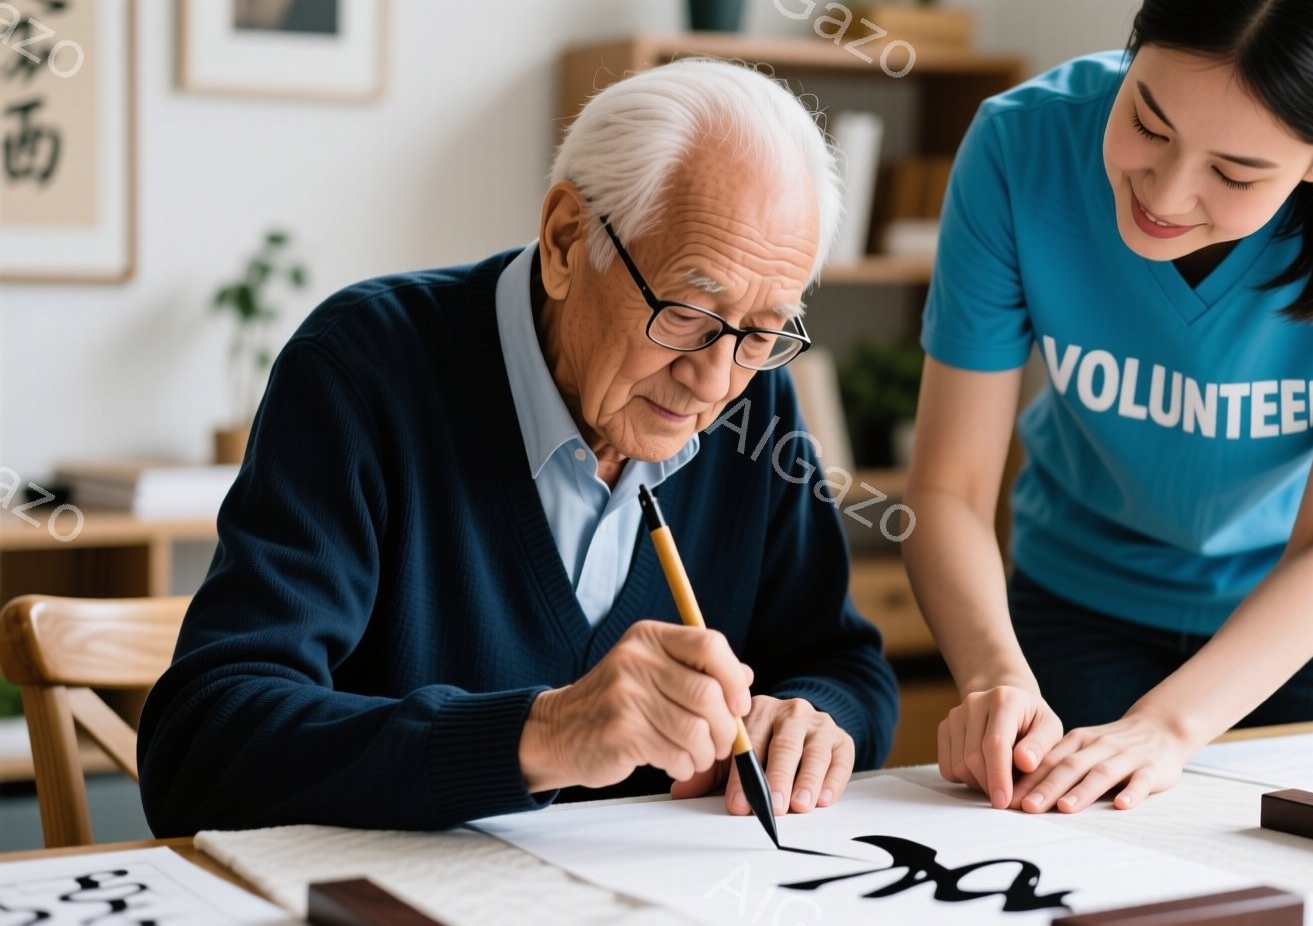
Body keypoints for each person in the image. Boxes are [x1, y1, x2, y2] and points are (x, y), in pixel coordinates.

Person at [139, 58, 898, 835]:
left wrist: (812, 720)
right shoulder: (362, 371)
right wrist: (543, 734)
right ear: (568, 239)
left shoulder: (753, 404)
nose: (712, 379)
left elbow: (848, 668)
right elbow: (204, 748)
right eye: (685, 311)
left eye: (763, 331)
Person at [906, 0, 1313, 816]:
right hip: (1084, 601)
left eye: (1236, 174)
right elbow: (950, 488)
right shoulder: (1020, 145)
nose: (1166, 193)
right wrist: (994, 676)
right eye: (1147, 121)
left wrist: (1170, 725)